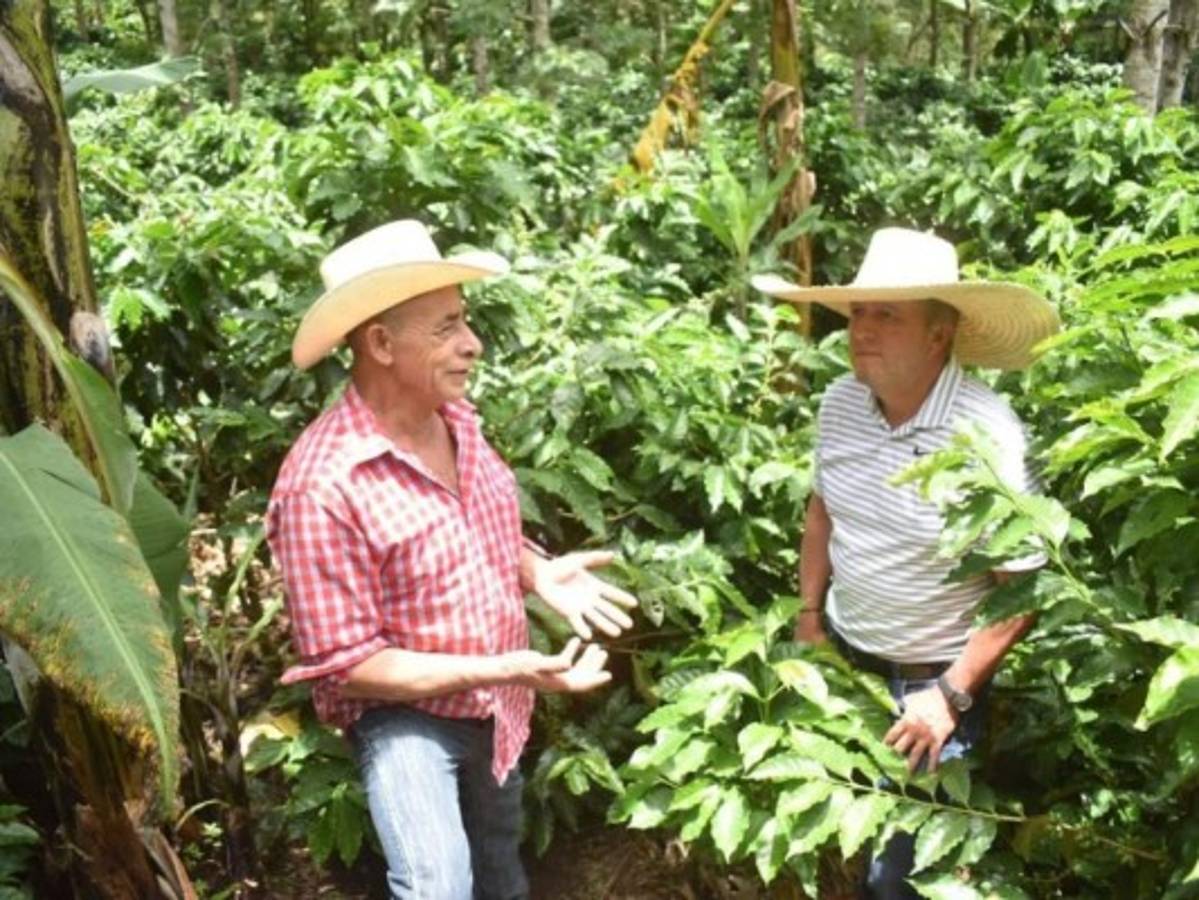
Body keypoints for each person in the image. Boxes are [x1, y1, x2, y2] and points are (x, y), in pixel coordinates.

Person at [266, 219, 639, 900]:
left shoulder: (456, 421)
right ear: (379, 343)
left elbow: (460, 530)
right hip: (407, 722)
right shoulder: (322, 483)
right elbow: (351, 667)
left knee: (499, 871)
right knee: (436, 885)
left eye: (464, 322)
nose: (472, 345)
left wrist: (534, 570)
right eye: (445, 329)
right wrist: (507, 666)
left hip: (494, 710)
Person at [752, 227, 1059, 899]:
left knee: (904, 877)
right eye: (858, 311)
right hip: (841, 662)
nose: (861, 329)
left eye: (886, 314)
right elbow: (820, 512)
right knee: (841, 833)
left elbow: (1022, 590)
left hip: (929, 690)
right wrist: (808, 618)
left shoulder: (987, 435)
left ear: (937, 334)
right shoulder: (839, 405)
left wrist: (949, 695)